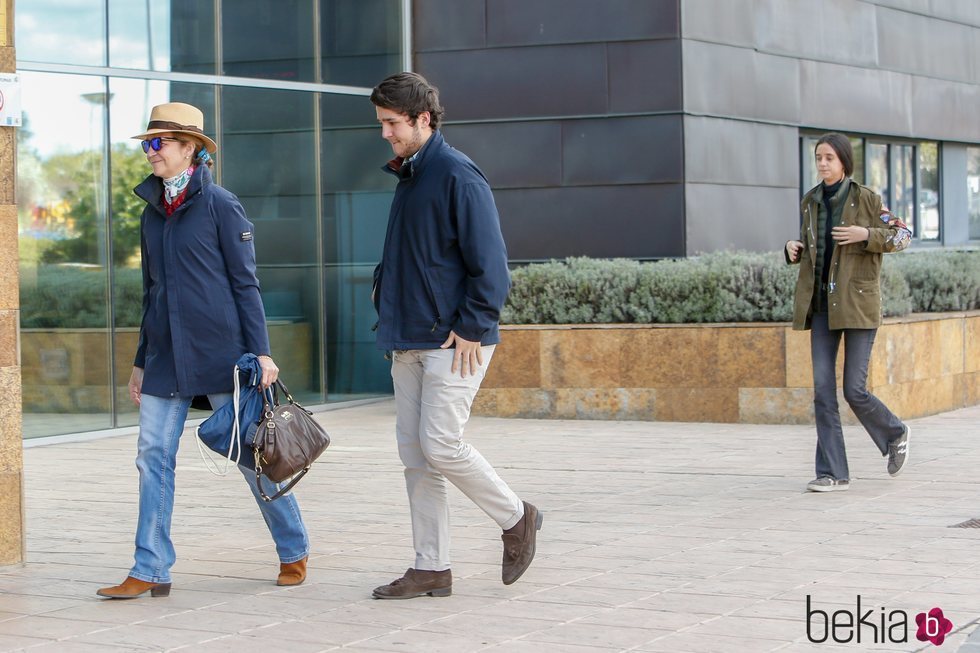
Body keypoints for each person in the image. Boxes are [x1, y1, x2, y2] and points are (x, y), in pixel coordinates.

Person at [97, 102, 309, 598]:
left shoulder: (221, 205)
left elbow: (245, 284)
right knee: (153, 455)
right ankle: (149, 568)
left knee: (252, 456)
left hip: (224, 356)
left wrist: (261, 352)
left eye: (159, 143)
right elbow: (152, 293)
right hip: (165, 357)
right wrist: (139, 361)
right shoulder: (151, 212)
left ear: (188, 148)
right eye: (147, 144)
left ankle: (293, 547)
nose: (150, 153)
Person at [369, 72, 542, 599]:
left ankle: (517, 517)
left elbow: (491, 264)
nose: (385, 134)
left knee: (441, 446)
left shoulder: (455, 174)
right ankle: (431, 567)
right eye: (381, 124)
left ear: (423, 119)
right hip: (408, 338)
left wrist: (472, 324)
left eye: (392, 124)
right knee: (416, 457)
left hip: (453, 342)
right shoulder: (412, 176)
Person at [785, 132, 913, 493]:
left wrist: (865, 234)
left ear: (843, 161)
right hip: (822, 307)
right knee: (823, 392)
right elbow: (813, 248)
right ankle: (831, 472)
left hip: (857, 305)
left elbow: (903, 236)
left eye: (829, 157)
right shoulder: (810, 201)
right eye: (818, 158)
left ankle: (895, 432)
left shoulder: (867, 199)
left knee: (853, 390)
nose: (823, 163)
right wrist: (793, 247)